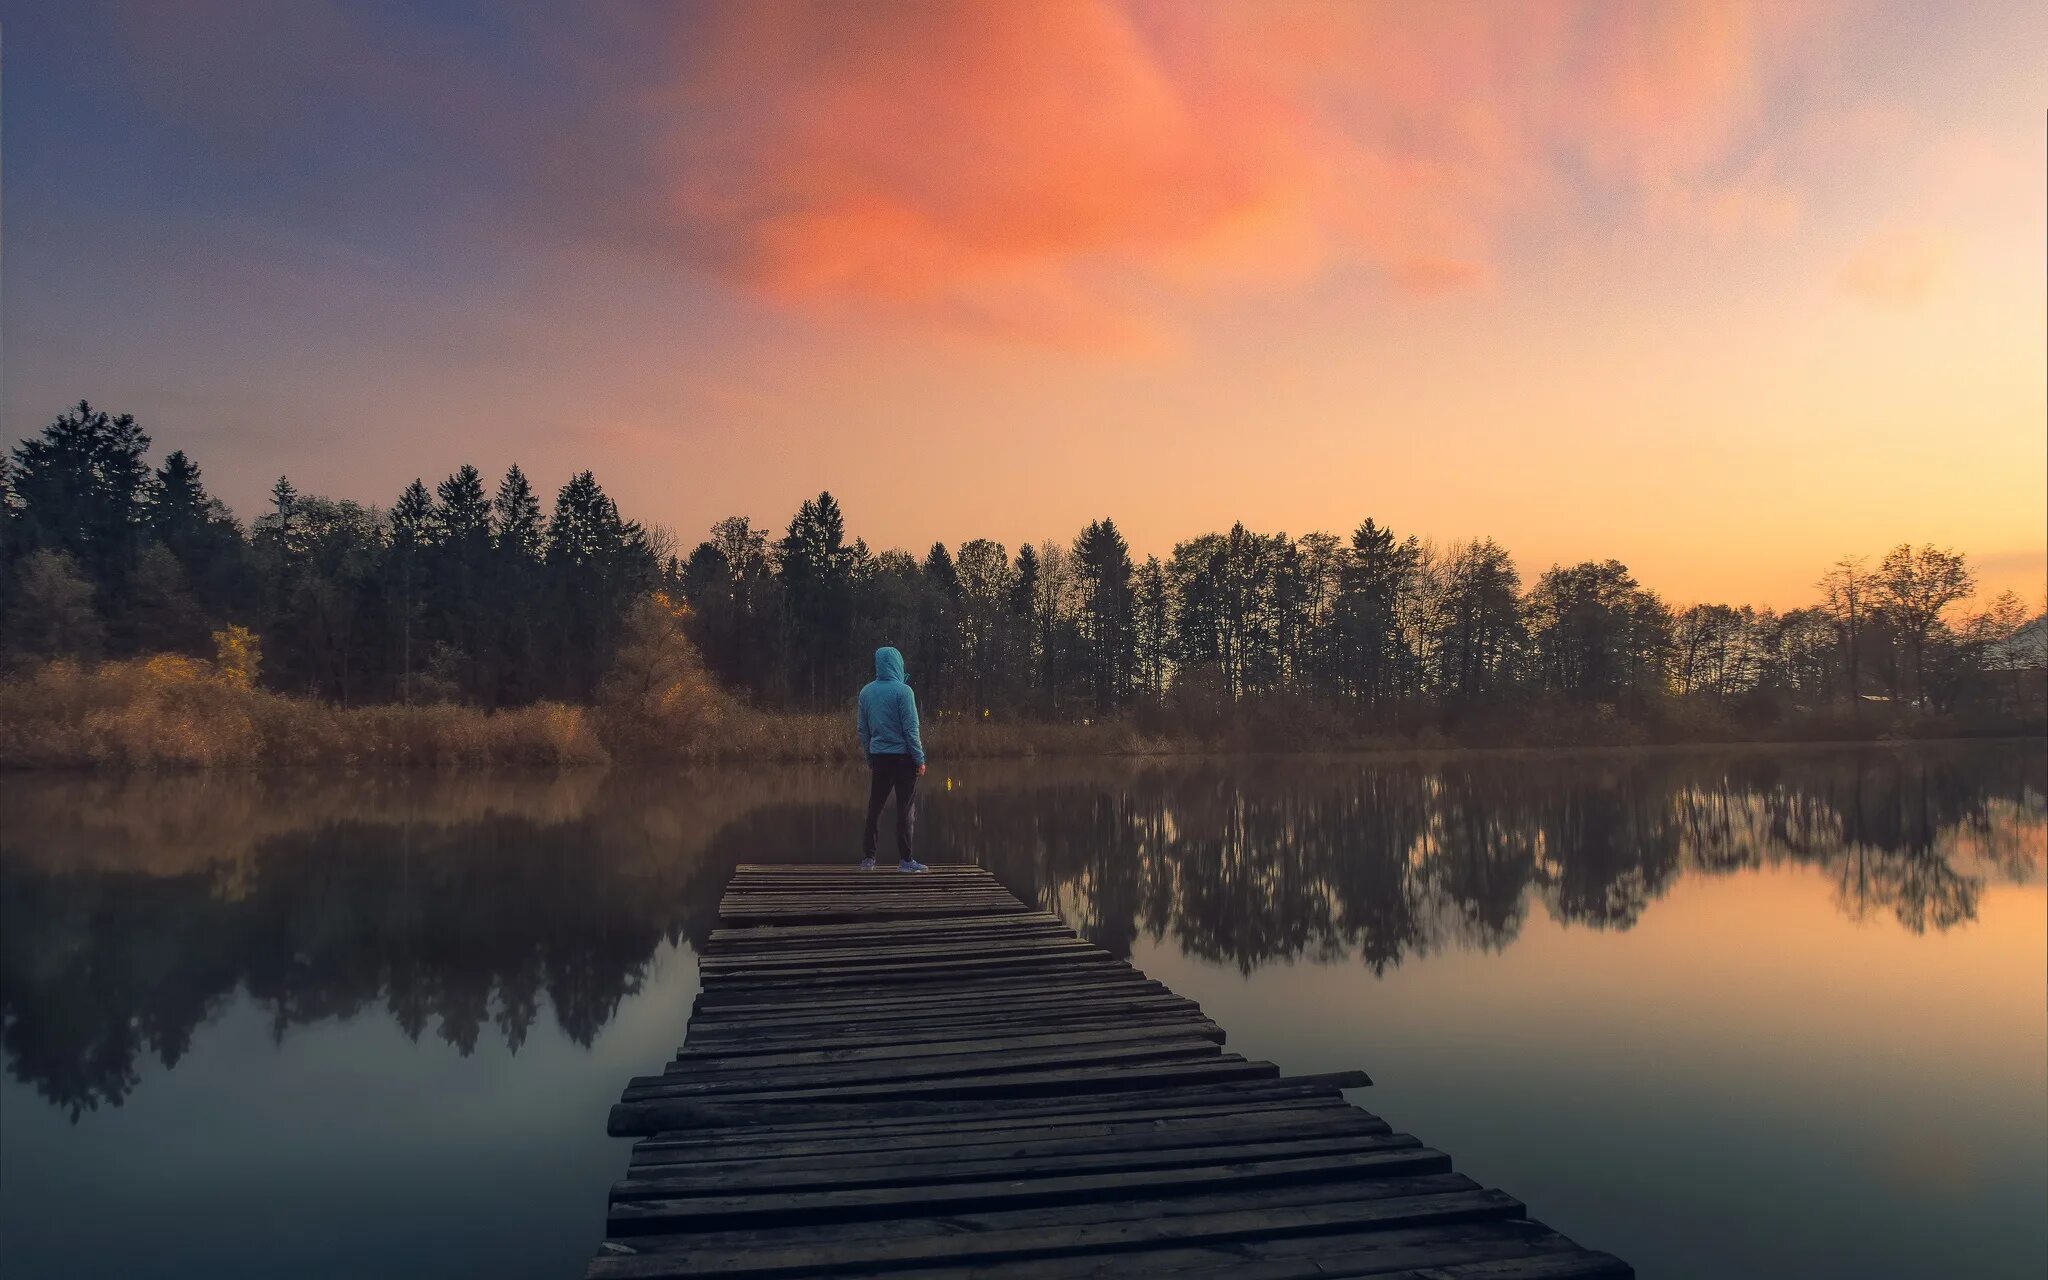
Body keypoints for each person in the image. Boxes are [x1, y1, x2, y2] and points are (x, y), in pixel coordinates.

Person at [856, 645, 927, 872]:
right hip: (904, 759)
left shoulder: (866, 692)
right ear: (898, 663)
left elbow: (863, 730)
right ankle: (906, 861)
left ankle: (869, 859)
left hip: (880, 757)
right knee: (905, 810)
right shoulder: (904, 692)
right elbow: (911, 729)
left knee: (874, 807)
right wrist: (920, 759)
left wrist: (869, 756)